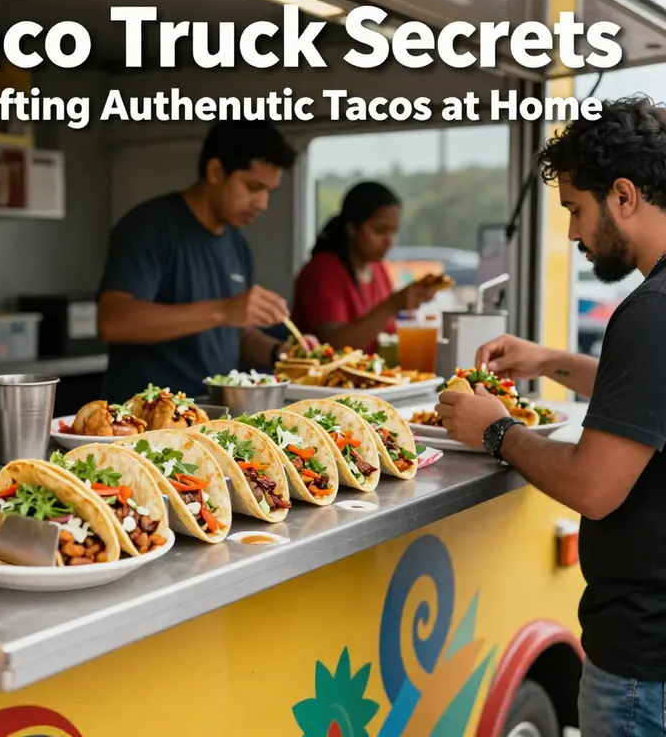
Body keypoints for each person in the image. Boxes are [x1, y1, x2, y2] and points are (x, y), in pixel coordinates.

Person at [434, 96, 666, 735]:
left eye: (574, 209)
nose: (570, 234)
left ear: (623, 196)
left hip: (644, 670)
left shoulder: (652, 311)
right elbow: (647, 401)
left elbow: (595, 486)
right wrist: (555, 362)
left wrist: (496, 429)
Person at [96, 121, 317, 401]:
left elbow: (235, 334)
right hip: (144, 417)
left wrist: (281, 352)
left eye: (268, 191)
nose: (262, 204)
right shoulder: (150, 227)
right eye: (253, 187)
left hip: (211, 413)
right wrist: (224, 310)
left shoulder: (237, 244)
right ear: (215, 171)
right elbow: (114, 323)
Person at [291, 181, 441, 353]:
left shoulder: (378, 269)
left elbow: (387, 335)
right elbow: (332, 345)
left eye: (394, 232)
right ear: (352, 228)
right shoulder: (323, 269)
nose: (389, 242)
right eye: (380, 231)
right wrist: (391, 306)